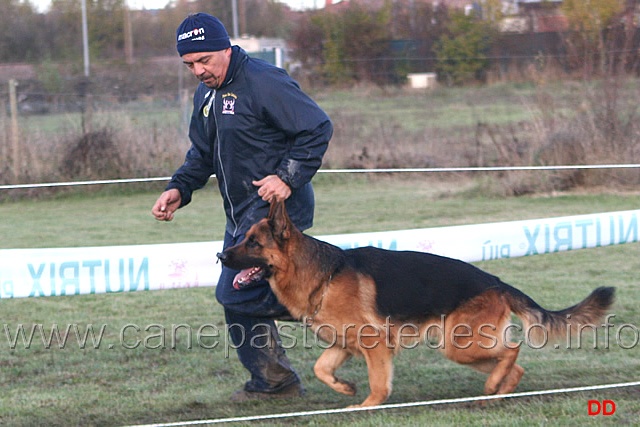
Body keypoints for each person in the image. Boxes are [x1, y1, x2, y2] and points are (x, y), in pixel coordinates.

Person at [151, 13, 333, 401]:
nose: (198, 71)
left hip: (276, 217)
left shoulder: (264, 82)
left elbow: (316, 127)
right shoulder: (206, 94)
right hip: (241, 218)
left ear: (226, 48)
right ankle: (277, 379)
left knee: (237, 294)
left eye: (204, 61)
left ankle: (340, 326)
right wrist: (179, 189)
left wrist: (286, 177)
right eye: (189, 65)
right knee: (238, 296)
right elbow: (202, 154)